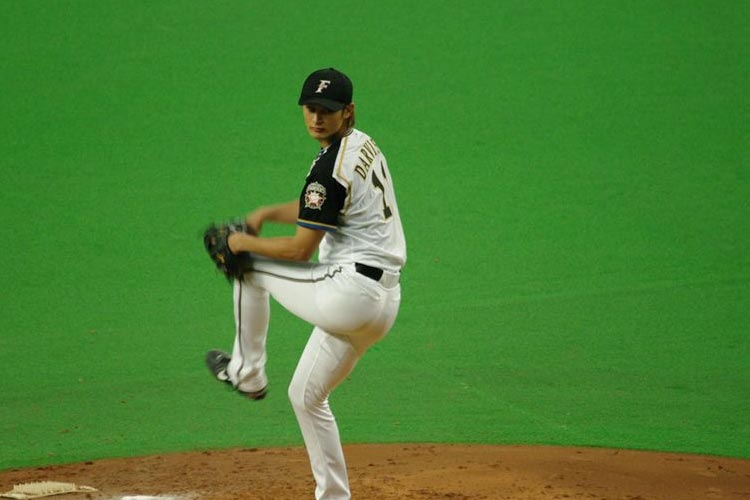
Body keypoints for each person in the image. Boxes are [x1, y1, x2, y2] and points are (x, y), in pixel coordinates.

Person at [205, 67, 406, 500]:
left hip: (349, 294)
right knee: (306, 396)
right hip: (383, 304)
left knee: (248, 268)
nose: (317, 118)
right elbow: (321, 206)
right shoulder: (362, 144)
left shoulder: (328, 168)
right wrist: (265, 214)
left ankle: (246, 374)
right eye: (311, 109)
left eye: (327, 110)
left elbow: (300, 250)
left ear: (347, 111)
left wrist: (240, 242)